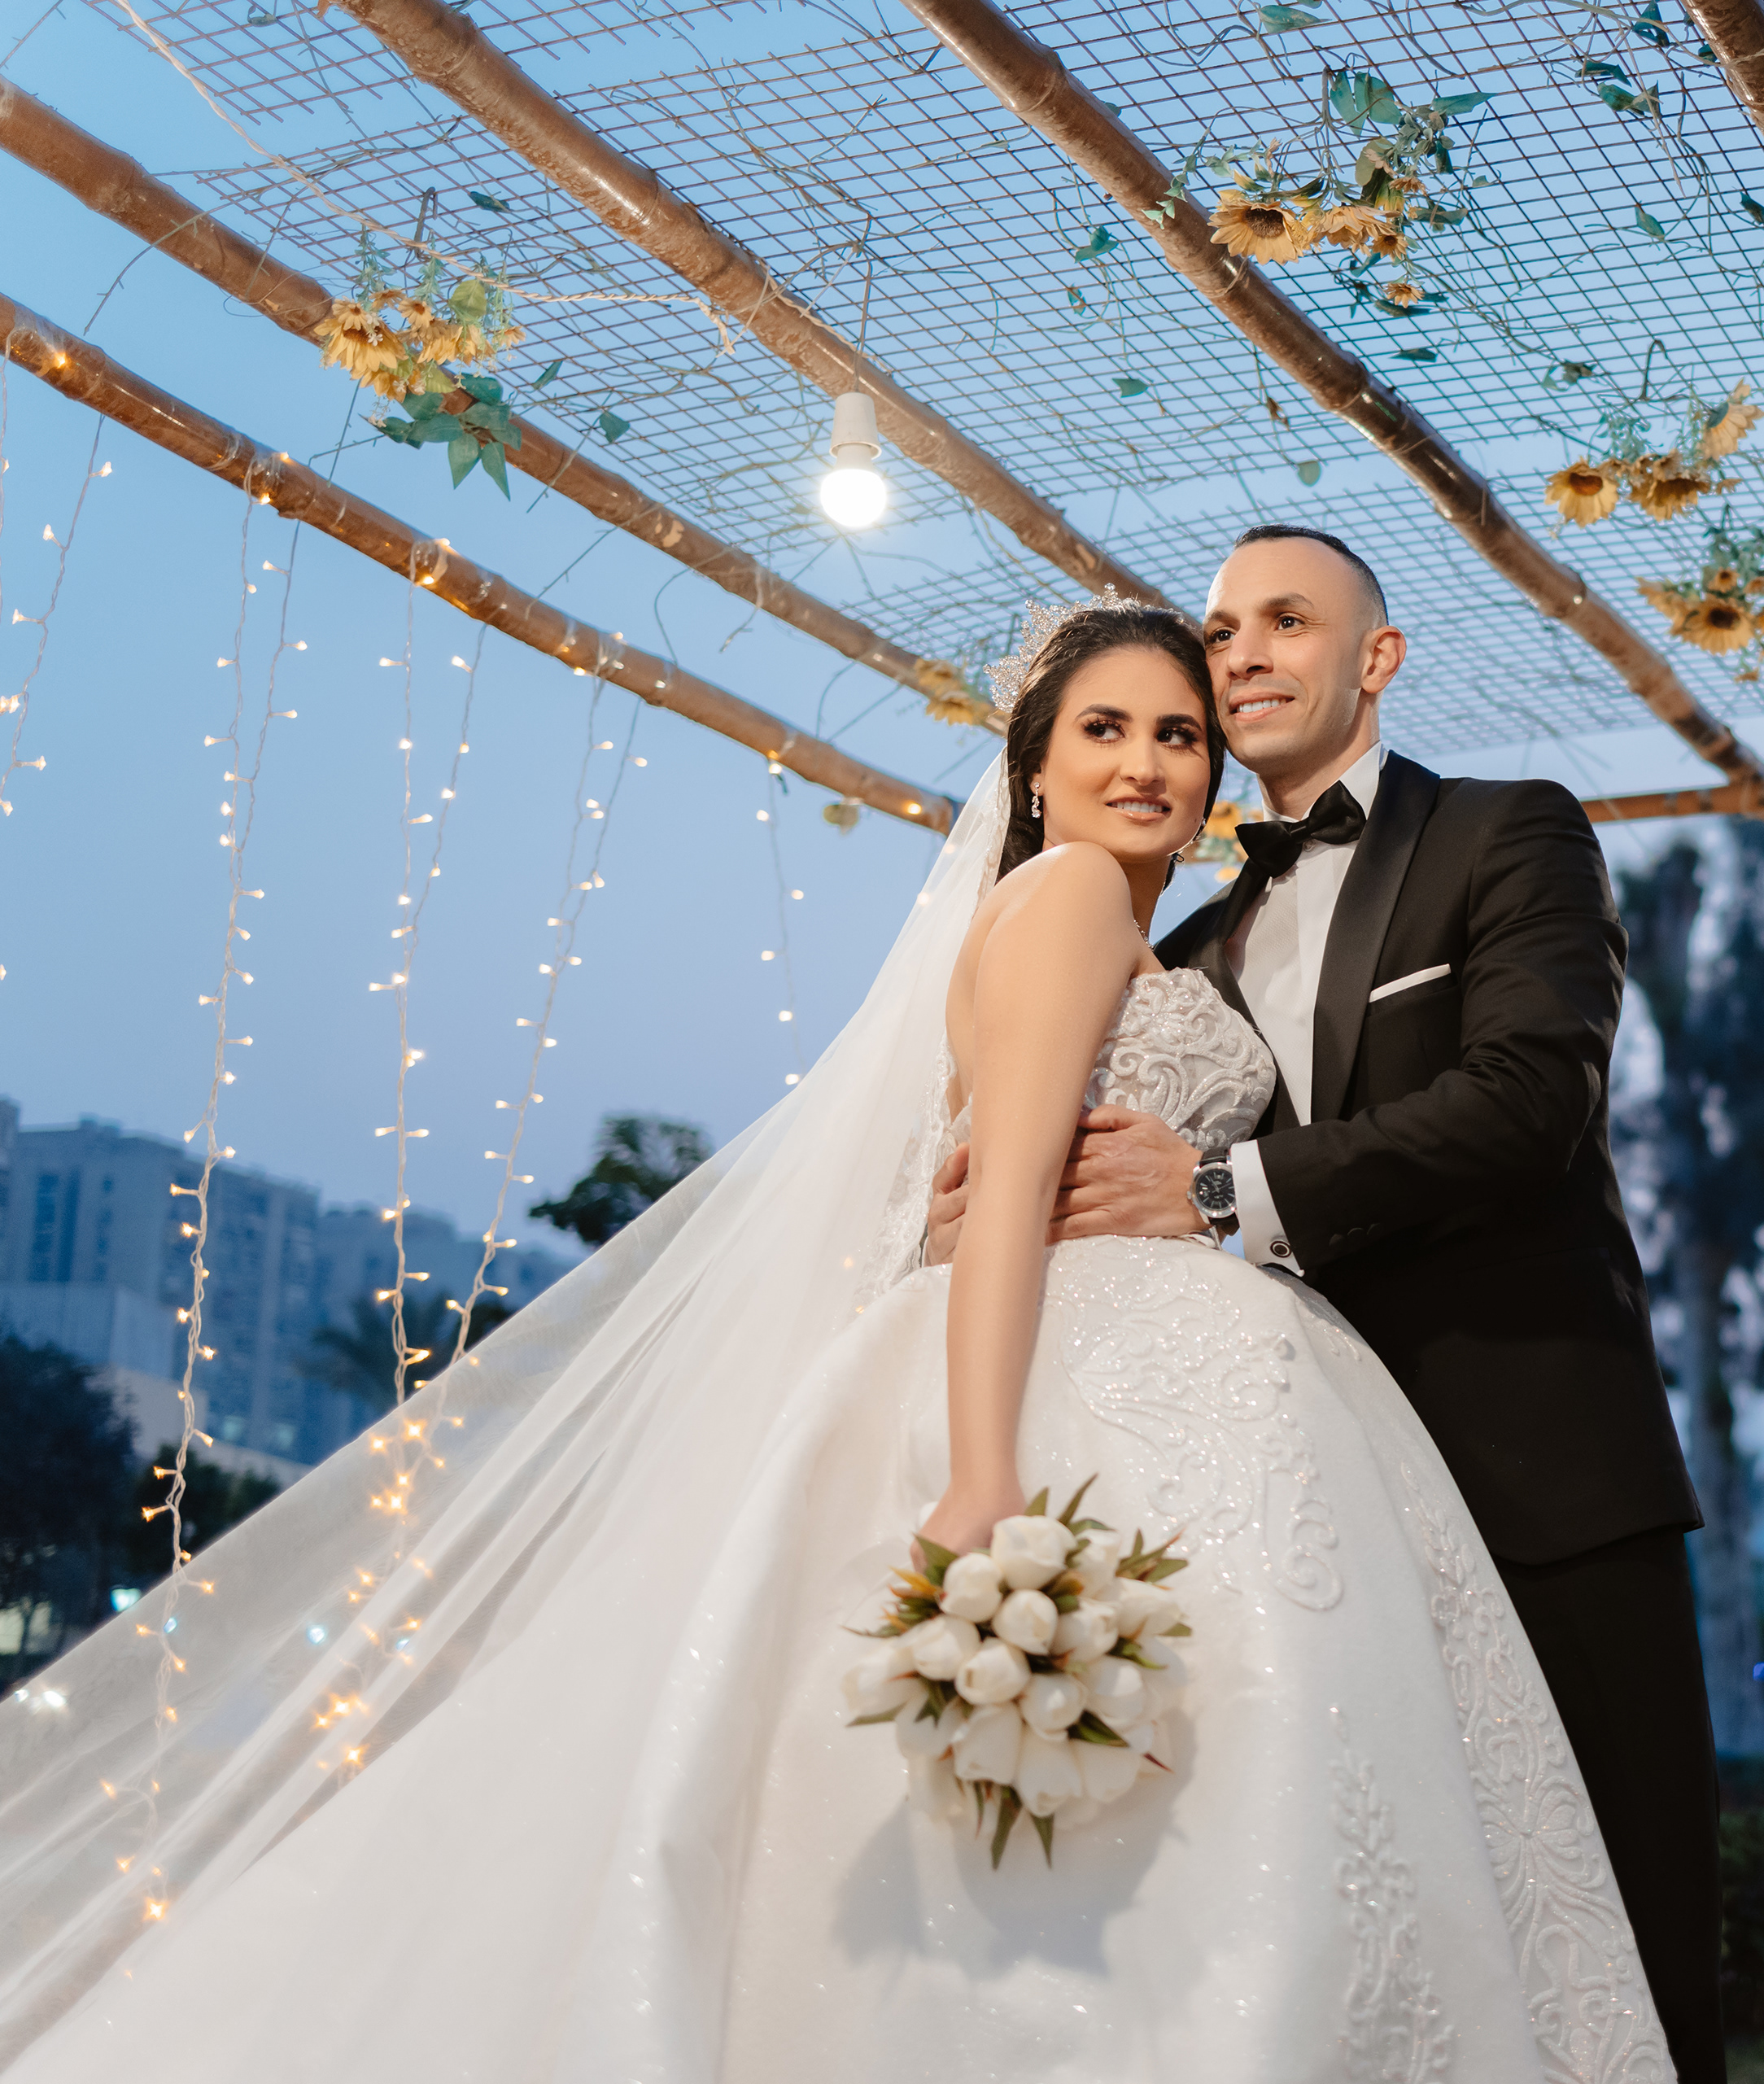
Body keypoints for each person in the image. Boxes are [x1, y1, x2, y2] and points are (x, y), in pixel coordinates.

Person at [0, 602, 1674, 2082]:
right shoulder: (1076, 898)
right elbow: (1007, 1193)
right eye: (1106, 728)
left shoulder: (1166, 930)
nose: (1153, 759)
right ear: (1034, 770)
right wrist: (987, 1484)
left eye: (1178, 730)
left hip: (1218, 1386)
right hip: (1072, 1389)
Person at [928, 526, 1723, 2082]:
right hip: (1299, 1520)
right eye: (1222, 631)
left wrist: (1217, 1191)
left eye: (1288, 621)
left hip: (1539, 1484)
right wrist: (970, 1203)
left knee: (1617, 1938)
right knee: (1380, 1941)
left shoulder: (1511, 833)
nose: (1243, 657)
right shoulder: (1183, 943)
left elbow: (1527, 1099)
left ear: (1379, 657)